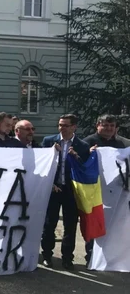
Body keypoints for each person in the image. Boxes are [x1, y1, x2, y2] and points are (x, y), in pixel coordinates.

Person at [40, 114, 91, 270]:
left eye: (66, 125)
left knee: (70, 225)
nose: (62, 128)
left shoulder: (82, 145)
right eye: (60, 125)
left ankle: (67, 258)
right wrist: (51, 152)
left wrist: (75, 156)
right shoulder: (49, 141)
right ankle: (47, 255)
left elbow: (85, 168)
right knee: (49, 224)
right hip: (54, 188)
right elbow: (42, 163)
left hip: (71, 190)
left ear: (74, 127)